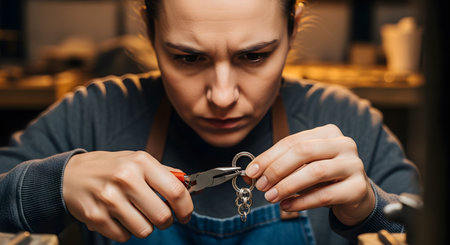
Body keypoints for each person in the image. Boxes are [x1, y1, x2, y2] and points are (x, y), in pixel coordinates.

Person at [0, 0, 420, 244]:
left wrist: (372, 209)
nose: (222, 96)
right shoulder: (91, 116)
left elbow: (420, 224)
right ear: (150, 31)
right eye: (189, 58)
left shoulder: (348, 120)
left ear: (291, 31)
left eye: (254, 56)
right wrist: (49, 186)